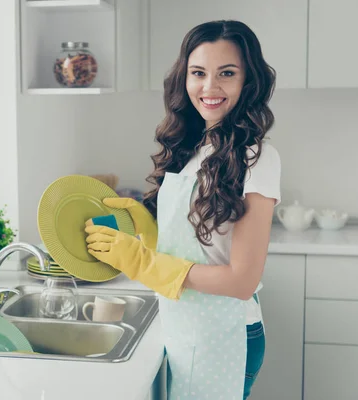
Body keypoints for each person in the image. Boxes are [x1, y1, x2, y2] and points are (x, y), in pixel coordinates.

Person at [85, 20, 280, 400]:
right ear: (184, 78)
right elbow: (195, 248)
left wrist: (145, 264)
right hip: (187, 325)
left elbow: (242, 280)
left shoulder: (257, 157)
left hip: (224, 333)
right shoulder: (193, 148)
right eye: (198, 73)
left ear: (248, 81)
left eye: (226, 73)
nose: (210, 87)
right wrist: (148, 232)